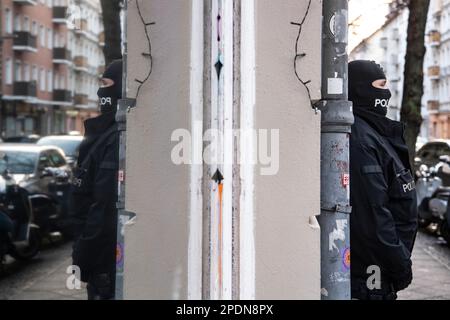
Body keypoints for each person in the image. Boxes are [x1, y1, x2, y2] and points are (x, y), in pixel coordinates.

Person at [348, 60, 418, 300]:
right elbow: (373, 216)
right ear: (360, 89)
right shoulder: (361, 140)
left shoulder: (373, 133)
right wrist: (400, 265)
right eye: (380, 85)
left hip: (377, 269)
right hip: (370, 274)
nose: (386, 93)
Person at [69, 59, 122, 300]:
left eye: (106, 83)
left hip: (102, 265)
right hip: (102, 263)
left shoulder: (113, 138)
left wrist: (82, 256)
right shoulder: (106, 134)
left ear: (119, 87)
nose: (101, 91)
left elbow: (104, 208)